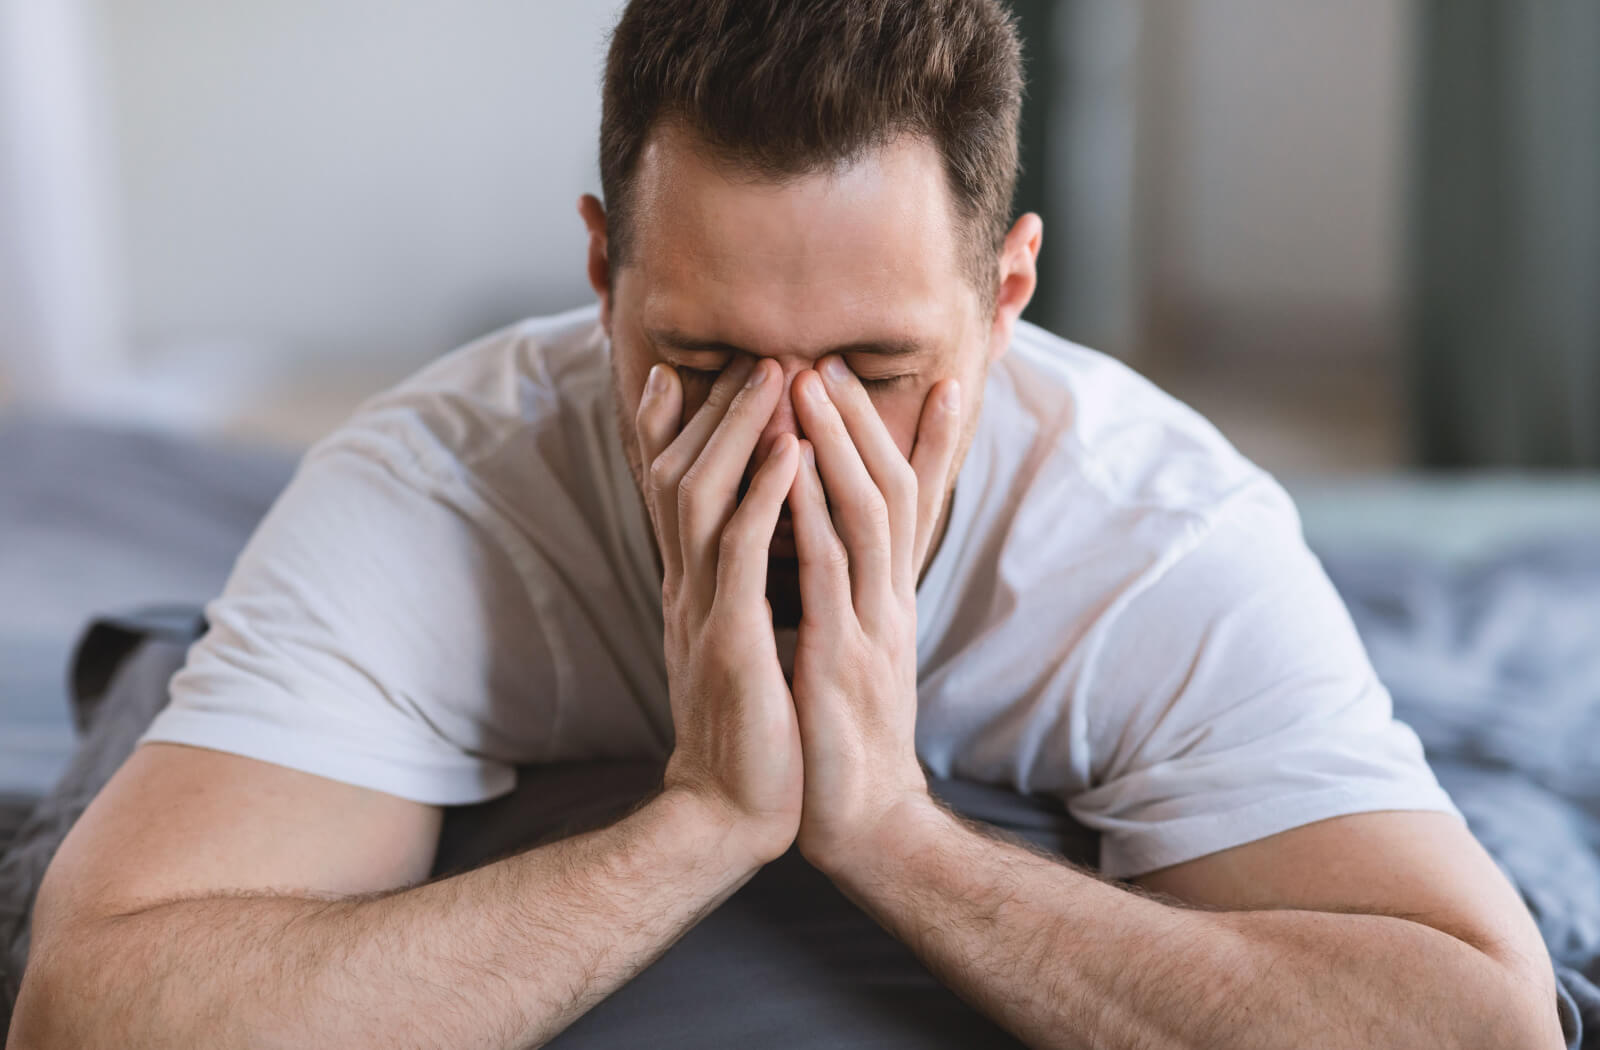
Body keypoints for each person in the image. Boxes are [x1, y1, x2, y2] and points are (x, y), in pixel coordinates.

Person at [11, 1, 1564, 1047]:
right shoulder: (436, 490)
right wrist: (698, 824)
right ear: (602, 271)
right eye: (701, 365)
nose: (787, 443)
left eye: (878, 371)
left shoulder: (1151, 530)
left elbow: (1479, 1018)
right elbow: (93, 999)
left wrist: (891, 831)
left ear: (1008, 295)